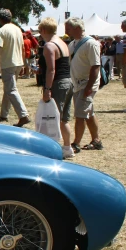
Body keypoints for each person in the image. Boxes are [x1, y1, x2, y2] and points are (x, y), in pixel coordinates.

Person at [0, 8, 30, 127]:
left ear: (0, 19)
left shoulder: (1, 31)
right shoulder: (17, 29)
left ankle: (23, 115)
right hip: (18, 63)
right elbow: (23, 48)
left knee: (11, 90)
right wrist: (23, 63)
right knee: (8, 90)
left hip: (8, 63)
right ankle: (4, 115)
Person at [38, 18, 74, 159]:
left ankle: (54, 149)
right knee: (64, 118)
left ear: (44, 30)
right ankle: (67, 148)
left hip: (58, 83)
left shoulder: (49, 46)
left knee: (53, 117)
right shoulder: (63, 43)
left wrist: (47, 89)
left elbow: (51, 70)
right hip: (68, 82)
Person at [65, 17, 103, 150]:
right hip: (77, 83)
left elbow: (96, 66)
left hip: (87, 84)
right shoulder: (72, 44)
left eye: (68, 28)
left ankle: (76, 144)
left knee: (80, 114)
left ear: (76, 28)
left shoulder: (91, 44)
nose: (66, 31)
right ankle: (96, 141)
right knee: (88, 113)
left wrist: (89, 87)